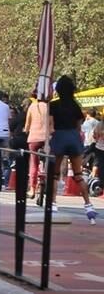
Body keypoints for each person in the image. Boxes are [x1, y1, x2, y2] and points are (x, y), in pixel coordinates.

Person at [47, 75, 94, 217]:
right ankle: (88, 205)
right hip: (73, 137)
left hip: (59, 136)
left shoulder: (53, 105)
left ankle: (53, 203)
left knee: (54, 174)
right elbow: (79, 126)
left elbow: (50, 126)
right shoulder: (75, 105)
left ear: (58, 90)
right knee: (78, 174)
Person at [23, 93, 50, 196]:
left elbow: (27, 124)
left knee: (33, 163)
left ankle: (32, 189)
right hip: (47, 138)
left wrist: (26, 130)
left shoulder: (32, 107)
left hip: (34, 138)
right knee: (49, 161)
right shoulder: (49, 107)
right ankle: (47, 180)